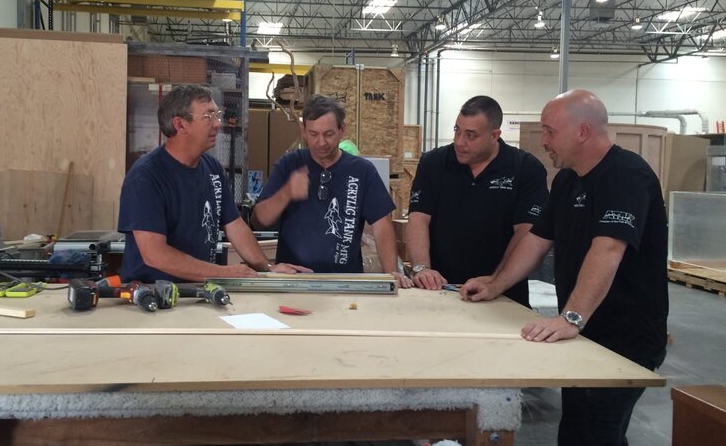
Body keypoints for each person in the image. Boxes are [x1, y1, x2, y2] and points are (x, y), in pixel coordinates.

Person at [461, 89, 669, 446]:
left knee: (595, 432)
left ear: (582, 132)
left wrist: (571, 317)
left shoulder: (626, 175)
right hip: (587, 332)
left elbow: (607, 248)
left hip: (625, 338)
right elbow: (537, 240)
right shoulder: (567, 180)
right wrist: (496, 284)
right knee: (577, 430)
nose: (543, 142)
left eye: (549, 131)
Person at [118, 84, 310, 283]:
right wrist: (224, 272)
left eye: (217, 115)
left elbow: (234, 225)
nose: (218, 124)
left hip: (198, 291)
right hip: (153, 296)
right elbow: (155, 254)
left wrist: (267, 267)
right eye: (208, 116)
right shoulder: (147, 176)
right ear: (180, 124)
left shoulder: (212, 168)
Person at [252, 95, 411, 288]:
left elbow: (381, 225)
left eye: (328, 134)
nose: (321, 142)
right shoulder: (289, 164)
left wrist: (391, 273)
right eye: (313, 134)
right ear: (303, 130)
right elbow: (259, 220)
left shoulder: (362, 171)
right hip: (294, 279)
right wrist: (286, 193)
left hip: (346, 282)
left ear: (342, 129)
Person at [405, 95, 548, 307]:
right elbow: (418, 217)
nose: (460, 142)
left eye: (471, 135)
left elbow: (527, 232)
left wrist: (497, 281)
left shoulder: (525, 168)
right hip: (439, 290)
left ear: (495, 135)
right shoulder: (434, 163)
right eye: (457, 131)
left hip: (504, 295)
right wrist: (422, 268)